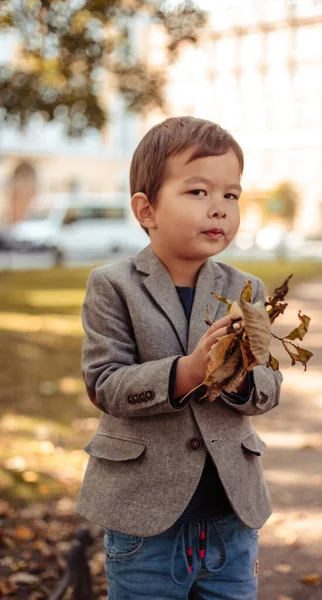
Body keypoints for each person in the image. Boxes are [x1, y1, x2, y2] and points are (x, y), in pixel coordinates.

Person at [76, 116, 283, 600]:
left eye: (231, 195)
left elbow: (270, 384)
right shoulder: (113, 285)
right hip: (144, 521)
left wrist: (244, 382)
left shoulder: (245, 289)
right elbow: (104, 383)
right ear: (146, 209)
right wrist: (185, 372)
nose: (219, 209)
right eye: (198, 192)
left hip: (230, 516)